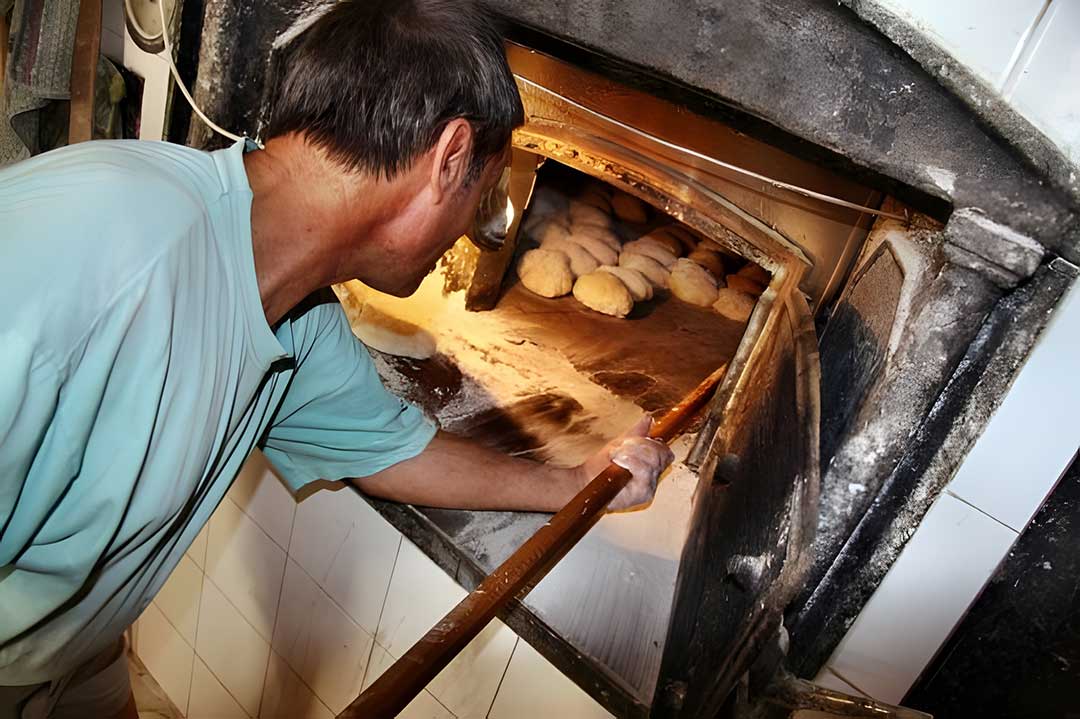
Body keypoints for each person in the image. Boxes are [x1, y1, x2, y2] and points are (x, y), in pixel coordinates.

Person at [0, 1, 675, 717]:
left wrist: (581, 481)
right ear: (448, 158)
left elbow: (390, 451)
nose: (470, 236)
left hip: (75, 652)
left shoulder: (297, 312)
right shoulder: (98, 250)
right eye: (482, 197)